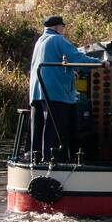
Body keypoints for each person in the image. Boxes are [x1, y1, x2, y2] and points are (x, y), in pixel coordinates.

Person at [29, 15, 101, 162]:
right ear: (57, 27)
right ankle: (51, 159)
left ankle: (36, 158)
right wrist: (100, 63)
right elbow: (77, 58)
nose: (63, 30)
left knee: (39, 127)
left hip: (37, 92)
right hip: (54, 92)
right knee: (54, 128)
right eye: (62, 27)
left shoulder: (40, 41)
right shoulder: (57, 39)